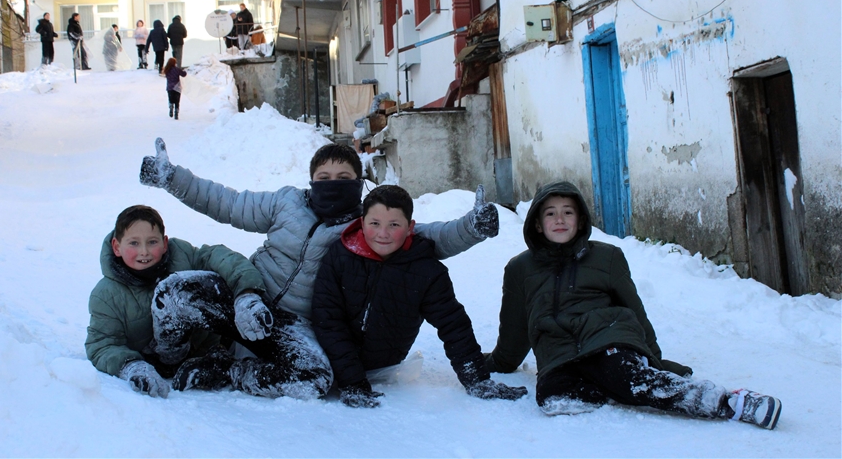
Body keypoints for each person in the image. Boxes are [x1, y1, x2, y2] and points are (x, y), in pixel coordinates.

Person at [137, 140, 500, 400]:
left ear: (358, 183)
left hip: (293, 326)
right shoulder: (286, 202)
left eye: (343, 176)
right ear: (311, 181)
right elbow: (228, 202)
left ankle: (231, 371)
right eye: (323, 177)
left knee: (315, 379)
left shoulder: (368, 226)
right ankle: (170, 359)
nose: (332, 183)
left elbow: (428, 237)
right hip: (246, 297)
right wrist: (171, 178)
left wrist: (473, 226)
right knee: (174, 290)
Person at [485, 181, 782, 429]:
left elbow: (635, 310)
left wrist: (654, 359)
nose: (559, 219)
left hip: (608, 337)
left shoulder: (607, 257)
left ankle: (728, 402)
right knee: (552, 397)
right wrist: (491, 364)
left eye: (568, 212)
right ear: (537, 223)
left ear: (580, 219)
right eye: (550, 213)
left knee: (627, 377)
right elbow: (515, 326)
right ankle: (612, 383)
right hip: (559, 354)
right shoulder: (519, 269)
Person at [312, 185, 528, 408]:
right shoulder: (340, 256)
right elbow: (327, 320)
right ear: (362, 223)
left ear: (409, 228)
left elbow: (453, 325)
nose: (383, 233)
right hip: (331, 358)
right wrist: (352, 380)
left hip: (382, 363)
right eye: (374, 224)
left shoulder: (425, 270)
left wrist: (477, 379)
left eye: (394, 225)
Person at [85, 205, 269, 399]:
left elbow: (219, 257)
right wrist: (131, 366)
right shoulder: (106, 295)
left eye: (152, 242)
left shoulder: (183, 256)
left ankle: (239, 357)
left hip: (208, 346)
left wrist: (247, 292)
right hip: (157, 360)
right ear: (116, 247)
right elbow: (102, 345)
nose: (144, 251)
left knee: (201, 283)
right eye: (134, 243)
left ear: (164, 243)